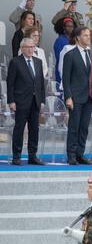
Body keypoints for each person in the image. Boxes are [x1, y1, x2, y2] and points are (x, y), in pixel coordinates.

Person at [7, 38, 45, 166]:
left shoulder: (38, 62)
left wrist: (42, 100)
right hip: (21, 101)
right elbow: (10, 84)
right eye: (27, 47)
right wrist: (11, 101)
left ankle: (32, 156)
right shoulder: (15, 62)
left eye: (32, 46)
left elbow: (41, 84)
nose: (30, 49)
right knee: (19, 129)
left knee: (34, 129)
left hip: (35, 101)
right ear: (22, 48)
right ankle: (16, 156)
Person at [62, 27, 92, 165]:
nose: (88, 38)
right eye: (85, 35)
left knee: (84, 127)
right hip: (75, 97)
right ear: (78, 38)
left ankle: (80, 153)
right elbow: (66, 78)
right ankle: (71, 155)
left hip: (89, 96)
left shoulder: (91, 54)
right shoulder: (70, 54)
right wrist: (68, 97)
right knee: (74, 127)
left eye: (89, 35)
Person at [54, 17, 75, 83]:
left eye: (72, 26)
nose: (70, 28)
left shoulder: (75, 40)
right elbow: (59, 57)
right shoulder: (59, 40)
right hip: (62, 70)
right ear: (64, 27)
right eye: (68, 26)